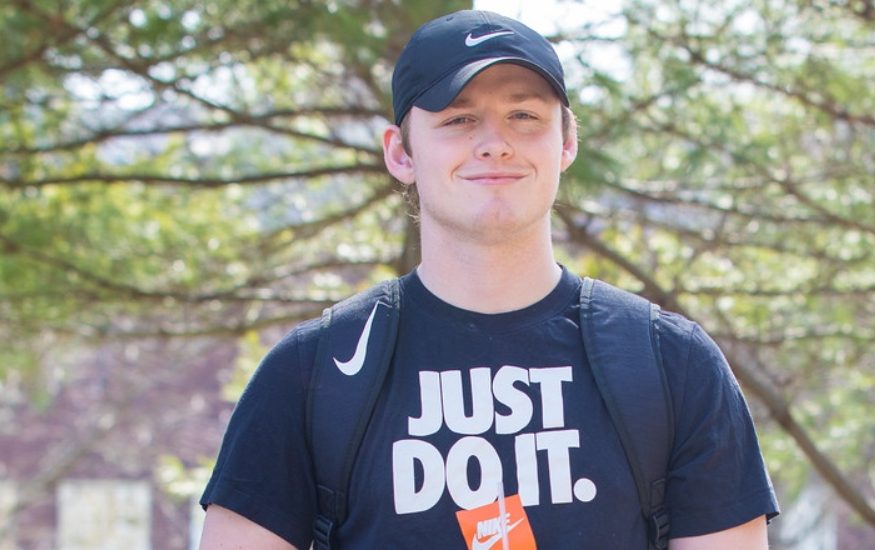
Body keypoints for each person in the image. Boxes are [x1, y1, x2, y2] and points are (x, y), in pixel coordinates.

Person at [199, 9, 779, 549]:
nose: (495, 144)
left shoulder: (671, 363)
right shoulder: (312, 374)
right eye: (459, 118)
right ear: (400, 152)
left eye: (524, 116)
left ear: (567, 142)